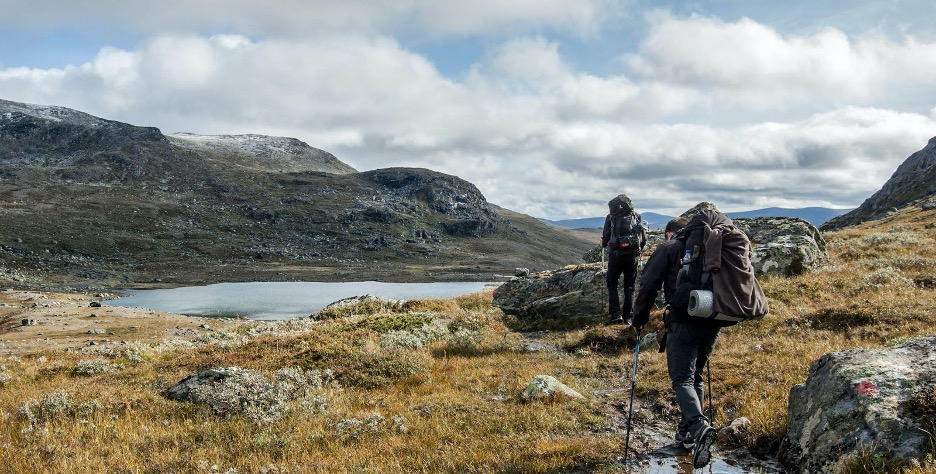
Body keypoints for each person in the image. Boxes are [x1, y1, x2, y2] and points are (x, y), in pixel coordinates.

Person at [631, 212, 726, 469]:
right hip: (714, 315)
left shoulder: (670, 247)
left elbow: (648, 285)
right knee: (695, 377)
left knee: (682, 378)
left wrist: (638, 319)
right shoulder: (716, 245)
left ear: (670, 233)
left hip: (684, 319)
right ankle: (686, 438)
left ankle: (698, 428)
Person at [600, 194, 646, 325]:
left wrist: (604, 243)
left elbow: (606, 238)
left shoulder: (610, 217)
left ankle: (615, 314)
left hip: (616, 255)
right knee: (630, 286)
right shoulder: (636, 216)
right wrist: (638, 250)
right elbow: (643, 238)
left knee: (612, 283)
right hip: (632, 255)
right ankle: (628, 317)